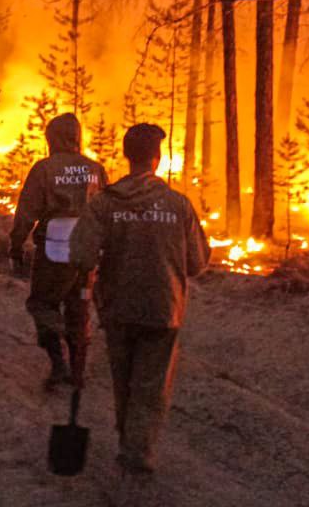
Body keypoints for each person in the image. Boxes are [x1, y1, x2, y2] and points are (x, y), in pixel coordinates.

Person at [69, 123, 210, 487]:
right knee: (150, 385)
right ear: (158, 159)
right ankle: (138, 454)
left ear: (126, 156)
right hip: (164, 309)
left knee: (124, 380)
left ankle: (127, 443)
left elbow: (81, 254)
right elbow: (197, 262)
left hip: (118, 308)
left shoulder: (104, 203)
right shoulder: (179, 205)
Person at [9, 113, 108, 390]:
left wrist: (16, 244)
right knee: (79, 309)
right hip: (87, 255)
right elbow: (106, 211)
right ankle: (77, 370)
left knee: (42, 304)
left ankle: (59, 364)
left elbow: (27, 212)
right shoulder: (96, 169)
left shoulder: (44, 169)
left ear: (53, 138)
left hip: (54, 252)